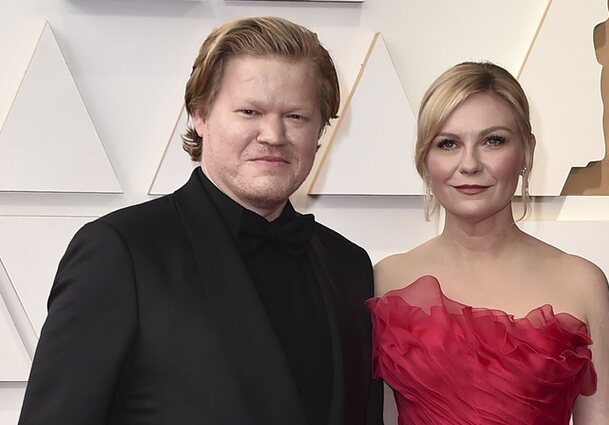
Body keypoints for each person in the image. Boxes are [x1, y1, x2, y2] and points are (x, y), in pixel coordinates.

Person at [19, 16, 383, 425]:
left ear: (319, 129)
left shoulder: (349, 265)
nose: (273, 134)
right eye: (249, 111)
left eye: (296, 116)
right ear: (200, 115)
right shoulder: (120, 253)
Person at [366, 62, 609, 425]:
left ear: (526, 152)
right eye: (448, 143)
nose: (469, 164)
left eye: (493, 141)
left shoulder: (582, 284)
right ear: (425, 159)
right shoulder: (386, 280)